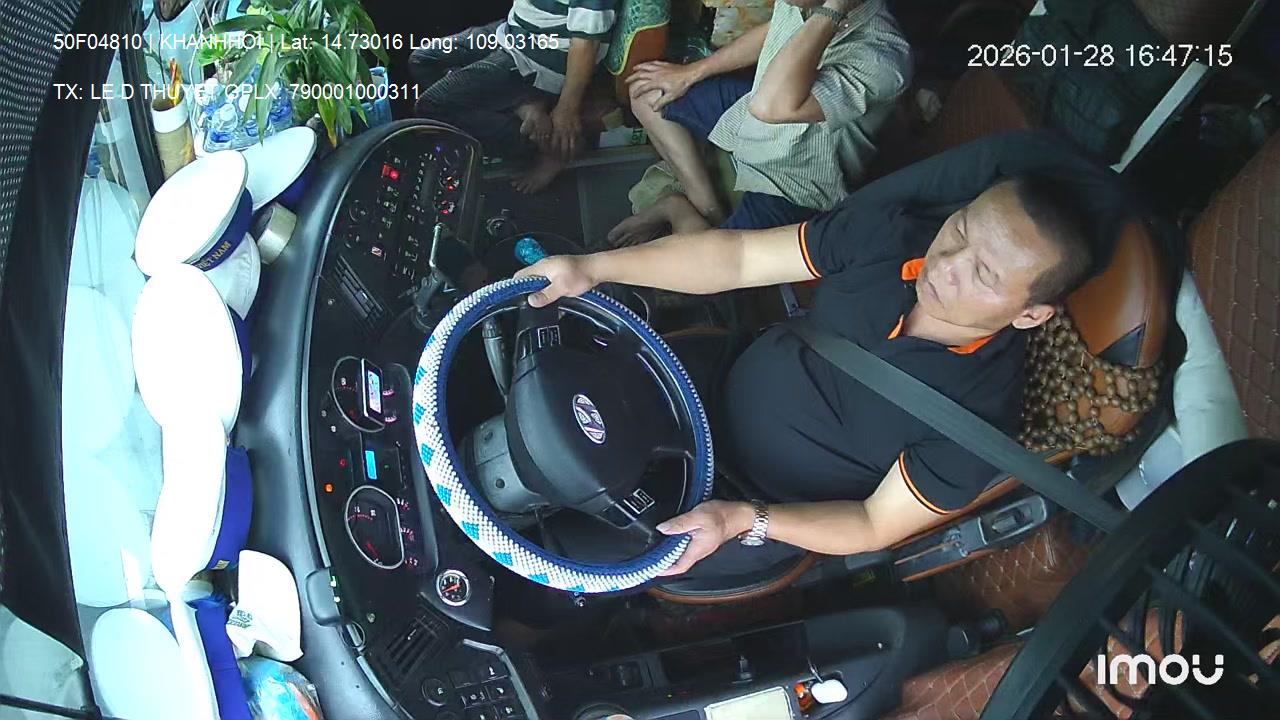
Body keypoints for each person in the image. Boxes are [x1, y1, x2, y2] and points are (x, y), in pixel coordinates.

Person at [518, 131, 1128, 578]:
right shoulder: (891, 238)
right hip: (701, 388)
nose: (947, 266)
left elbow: (872, 523)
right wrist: (592, 268)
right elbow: (741, 259)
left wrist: (741, 520)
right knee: (534, 413)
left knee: (560, 556)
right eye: (960, 232)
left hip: (746, 507)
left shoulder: (978, 419)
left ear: (1030, 315)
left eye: (985, 275)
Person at [608, 0, 911, 246]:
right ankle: (706, 204)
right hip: (750, 122)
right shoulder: (804, 3)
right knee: (645, 92)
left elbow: (770, 107)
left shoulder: (882, 59)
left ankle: (675, 207)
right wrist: (691, 73)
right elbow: (774, 29)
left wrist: (832, 11)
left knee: (707, 272)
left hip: (796, 178)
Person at [409, 0, 619, 194]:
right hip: (513, 32)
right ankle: (523, 104)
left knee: (432, 106)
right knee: (423, 60)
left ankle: (551, 146)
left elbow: (586, 44)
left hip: (539, 58)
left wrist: (566, 110)